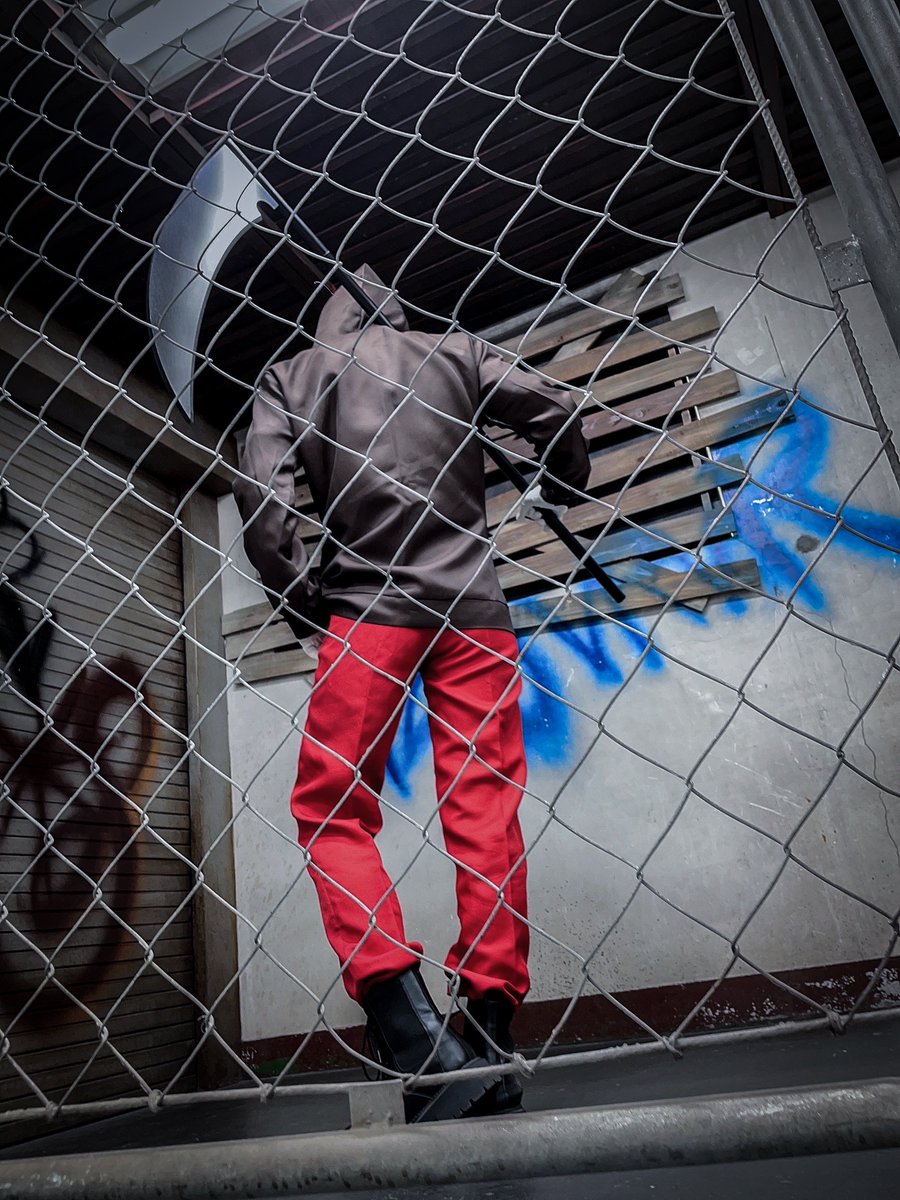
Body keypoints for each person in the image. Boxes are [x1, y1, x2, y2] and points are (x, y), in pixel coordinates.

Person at [234, 266, 590, 1122]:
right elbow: (556, 408)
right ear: (392, 311)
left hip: (367, 611)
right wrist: (563, 481)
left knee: (331, 806)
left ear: (324, 318)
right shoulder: (454, 352)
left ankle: (409, 1025)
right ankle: (491, 1033)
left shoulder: (292, 375)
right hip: (474, 610)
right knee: (484, 806)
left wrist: (301, 596)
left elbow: (263, 502)